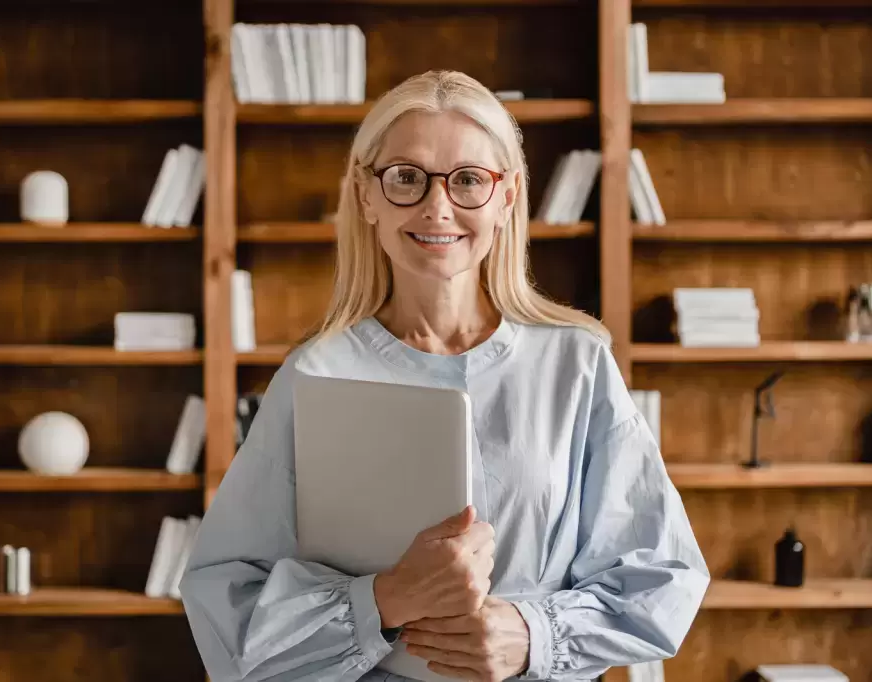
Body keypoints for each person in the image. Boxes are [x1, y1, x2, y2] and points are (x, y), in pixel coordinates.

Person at [179, 70, 710, 682]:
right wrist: (385, 600)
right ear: (365, 195)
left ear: (507, 196)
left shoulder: (576, 363)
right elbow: (224, 597)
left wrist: (532, 634)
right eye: (406, 177)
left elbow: (663, 576)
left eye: (468, 181)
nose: (438, 208)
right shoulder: (315, 374)